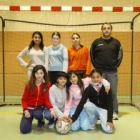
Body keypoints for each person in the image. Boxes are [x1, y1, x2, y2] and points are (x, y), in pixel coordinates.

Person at [90, 22, 123, 120]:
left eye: (108, 28)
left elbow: (120, 56)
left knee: (112, 93)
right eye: (104, 28)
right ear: (102, 30)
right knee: (99, 93)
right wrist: (97, 69)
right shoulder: (96, 42)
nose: (106, 30)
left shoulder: (116, 42)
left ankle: (114, 112)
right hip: (100, 73)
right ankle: (100, 112)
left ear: (111, 30)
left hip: (112, 72)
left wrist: (114, 66)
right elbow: (92, 55)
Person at [68, 69, 114, 134]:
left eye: (98, 77)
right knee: (87, 105)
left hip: (104, 110)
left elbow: (110, 104)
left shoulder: (106, 88)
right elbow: (81, 103)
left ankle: (105, 120)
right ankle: (93, 122)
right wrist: (73, 118)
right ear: (91, 78)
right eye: (93, 77)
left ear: (101, 77)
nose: (95, 79)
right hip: (94, 108)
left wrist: (110, 120)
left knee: (109, 130)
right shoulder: (88, 89)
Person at [20, 65, 56, 134]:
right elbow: (24, 100)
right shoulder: (28, 85)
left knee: (39, 113)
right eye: (37, 73)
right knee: (24, 130)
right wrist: (26, 110)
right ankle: (29, 120)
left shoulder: (47, 84)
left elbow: (46, 99)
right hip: (29, 108)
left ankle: (40, 121)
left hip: (39, 107)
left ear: (44, 74)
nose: (39, 75)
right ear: (34, 74)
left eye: (41, 73)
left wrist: (51, 109)